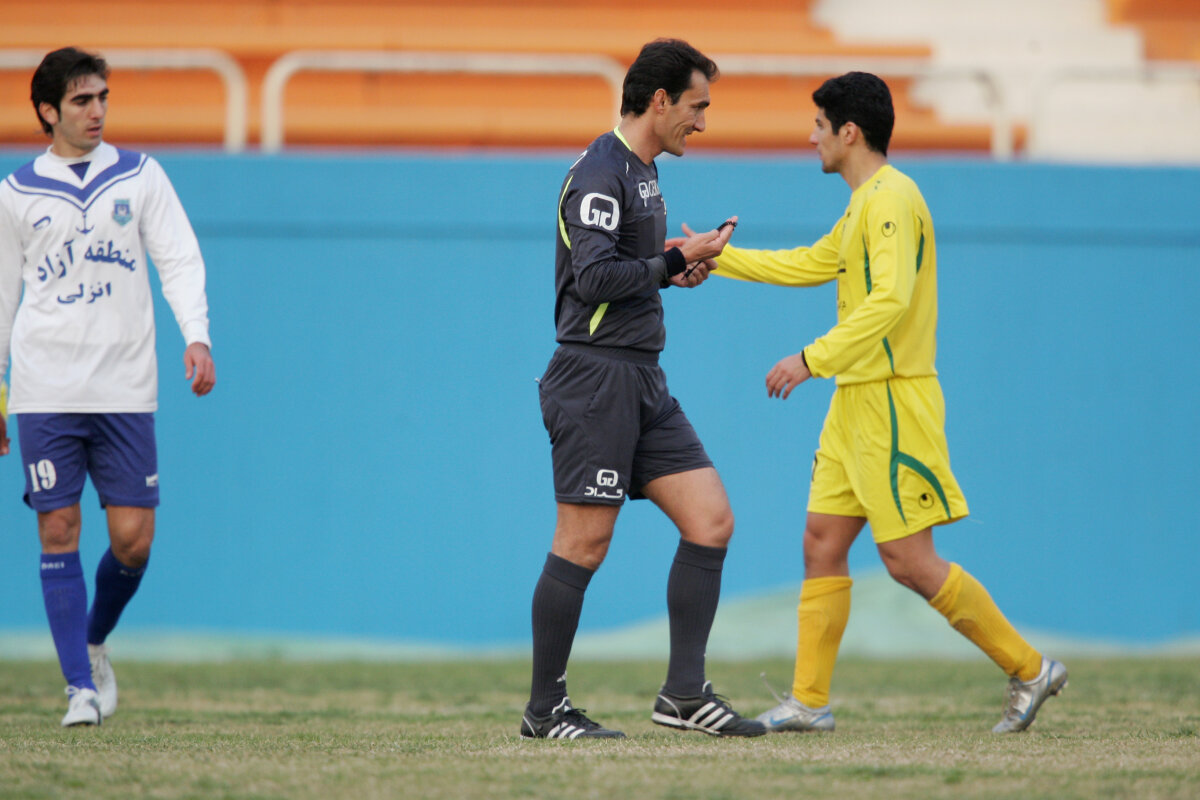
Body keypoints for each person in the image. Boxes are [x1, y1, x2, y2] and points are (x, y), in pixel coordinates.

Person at [693, 72, 1066, 734]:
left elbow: (890, 300)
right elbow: (814, 262)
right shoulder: (865, 201)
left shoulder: (892, 198)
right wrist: (719, 258)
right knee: (821, 542)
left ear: (849, 132)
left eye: (818, 125)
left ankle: (1031, 669)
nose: (810, 136)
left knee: (908, 562)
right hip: (855, 404)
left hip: (892, 402)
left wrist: (811, 359)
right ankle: (809, 702)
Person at [521, 38, 764, 740]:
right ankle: (544, 711)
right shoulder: (601, 173)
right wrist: (672, 259)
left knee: (710, 519)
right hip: (595, 379)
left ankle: (683, 695)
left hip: (642, 377)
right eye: (696, 106)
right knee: (583, 542)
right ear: (660, 100)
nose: (702, 122)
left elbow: (629, 275)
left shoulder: (644, 172)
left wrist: (676, 270)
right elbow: (594, 279)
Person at [0, 47, 216, 727]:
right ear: (48, 111)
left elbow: (178, 258)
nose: (96, 111)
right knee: (58, 526)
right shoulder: (16, 195)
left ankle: (93, 641)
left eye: (102, 98)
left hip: (125, 386)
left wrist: (197, 334)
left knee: (132, 541)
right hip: (45, 387)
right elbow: (2, 296)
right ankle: (79, 690)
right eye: (81, 101)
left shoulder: (141, 176)